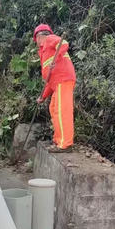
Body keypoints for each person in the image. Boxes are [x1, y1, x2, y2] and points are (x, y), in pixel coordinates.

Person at [34, 24, 76, 152]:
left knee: (62, 110)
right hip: (57, 81)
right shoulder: (44, 50)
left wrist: (55, 60)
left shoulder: (49, 38)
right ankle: (58, 139)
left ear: (38, 36)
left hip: (63, 78)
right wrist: (43, 96)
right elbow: (49, 80)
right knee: (54, 109)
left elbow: (63, 44)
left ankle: (65, 144)